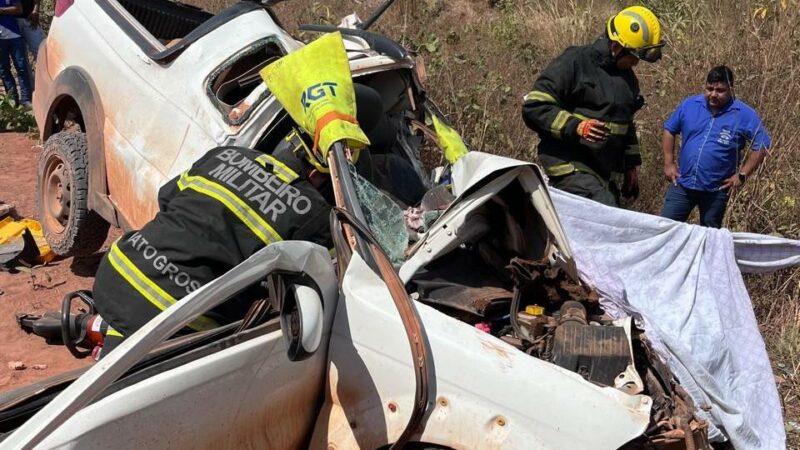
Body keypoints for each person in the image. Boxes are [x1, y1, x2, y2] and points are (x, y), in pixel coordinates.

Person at [522, 6, 664, 207]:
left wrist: (630, 166)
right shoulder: (576, 61)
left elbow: (625, 123)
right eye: (634, 56)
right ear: (616, 46)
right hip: (570, 165)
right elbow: (535, 106)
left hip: (603, 172)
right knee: (607, 219)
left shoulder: (628, 79)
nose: (636, 63)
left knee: (608, 219)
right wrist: (577, 126)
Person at [660, 65, 770, 228]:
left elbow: (762, 144)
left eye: (720, 90)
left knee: (710, 235)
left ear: (731, 89)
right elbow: (669, 129)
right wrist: (668, 163)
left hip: (716, 190)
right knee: (665, 227)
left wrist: (742, 175)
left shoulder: (743, 114)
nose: (713, 94)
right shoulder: (690, 105)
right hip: (683, 183)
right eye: (709, 88)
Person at [0, 0, 33, 106]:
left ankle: (26, 99)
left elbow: (19, 9)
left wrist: (1, 11)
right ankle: (13, 101)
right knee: (4, 70)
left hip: (15, 36)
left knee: (21, 68)